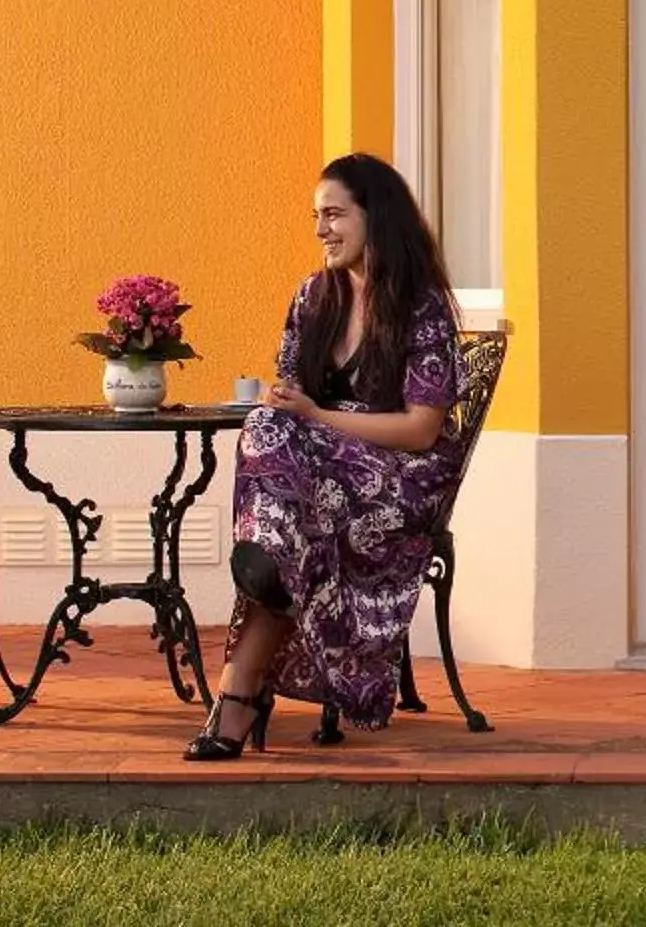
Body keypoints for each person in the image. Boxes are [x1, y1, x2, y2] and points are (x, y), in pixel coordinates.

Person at [185, 152, 463, 759]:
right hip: (322, 479)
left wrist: (316, 417)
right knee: (266, 428)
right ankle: (268, 576)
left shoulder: (422, 304)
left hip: (401, 480)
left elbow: (421, 429)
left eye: (334, 214)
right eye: (317, 217)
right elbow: (289, 402)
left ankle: (242, 675)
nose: (321, 231)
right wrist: (292, 408)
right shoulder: (314, 296)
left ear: (376, 217)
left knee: (283, 478)